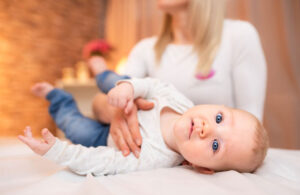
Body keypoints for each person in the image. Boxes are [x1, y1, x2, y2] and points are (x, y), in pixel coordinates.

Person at [88, 0, 267, 158]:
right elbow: (97, 102)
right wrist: (118, 112)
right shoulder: (145, 49)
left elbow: (252, 120)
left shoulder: (239, 36)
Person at [18, 77, 268, 176]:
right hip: (119, 102)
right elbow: (154, 86)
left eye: (215, 145)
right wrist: (129, 88)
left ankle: (58, 98)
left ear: (202, 167)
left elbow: (104, 161)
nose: (207, 129)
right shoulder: (181, 102)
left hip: (103, 138)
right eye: (219, 118)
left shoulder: (153, 158)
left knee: (75, 127)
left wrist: (55, 151)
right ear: (217, 105)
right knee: (117, 78)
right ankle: (102, 71)